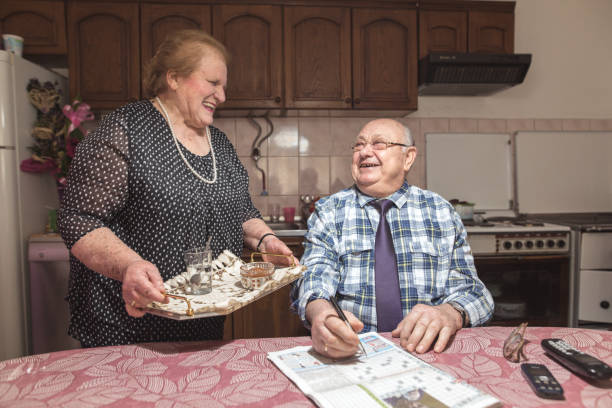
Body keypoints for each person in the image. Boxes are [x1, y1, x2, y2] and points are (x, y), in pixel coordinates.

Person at [58, 29, 293, 347]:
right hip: (127, 324)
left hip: (200, 318)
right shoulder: (126, 129)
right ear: (173, 78)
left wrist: (266, 239)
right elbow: (80, 219)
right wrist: (130, 266)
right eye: (213, 83)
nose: (222, 96)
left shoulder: (219, 143)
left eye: (224, 86)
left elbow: (241, 211)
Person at [291, 118, 493, 358]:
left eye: (379, 144)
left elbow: (475, 293)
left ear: (408, 157)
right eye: (359, 145)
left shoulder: (440, 211)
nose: (365, 152)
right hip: (354, 351)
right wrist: (322, 313)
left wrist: (450, 313)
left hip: (429, 350)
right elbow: (314, 276)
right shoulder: (329, 211)